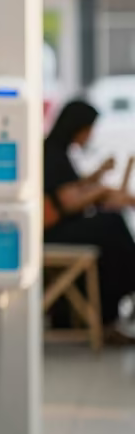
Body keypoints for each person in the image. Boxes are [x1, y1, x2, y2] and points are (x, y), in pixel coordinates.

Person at [44, 98, 135, 329]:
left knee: (110, 226)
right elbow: (66, 201)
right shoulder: (51, 154)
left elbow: (73, 187)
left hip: (61, 229)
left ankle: (112, 310)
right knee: (111, 226)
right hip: (53, 234)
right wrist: (100, 190)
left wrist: (97, 180)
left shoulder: (58, 153)